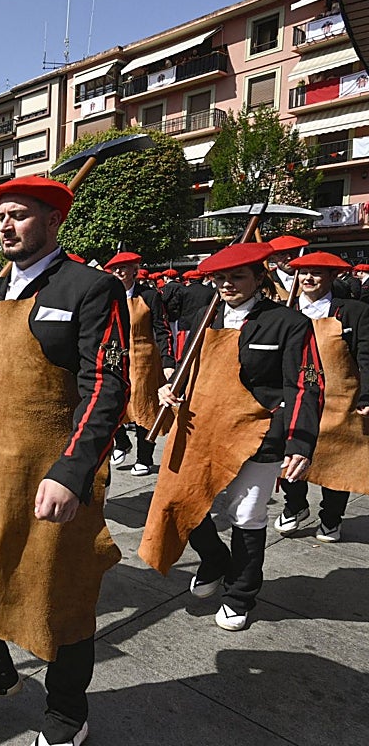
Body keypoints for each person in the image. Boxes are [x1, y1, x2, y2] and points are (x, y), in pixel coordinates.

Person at [0, 175, 127, 746]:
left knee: (60, 597)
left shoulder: (91, 287)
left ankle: (66, 711)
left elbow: (106, 385)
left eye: (20, 215)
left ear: (54, 221)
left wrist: (73, 471)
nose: (6, 227)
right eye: (0, 218)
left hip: (52, 470)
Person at [140, 242, 323, 632]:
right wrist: (169, 386)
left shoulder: (288, 323)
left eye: (237, 276)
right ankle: (215, 559)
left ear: (259, 278)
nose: (226, 284)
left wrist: (299, 442)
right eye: (219, 277)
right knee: (179, 501)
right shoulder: (204, 315)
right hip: (200, 429)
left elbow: (305, 384)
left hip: (258, 434)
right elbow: (188, 368)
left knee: (246, 514)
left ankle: (240, 593)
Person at [274, 252, 369, 542]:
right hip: (294, 394)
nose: (308, 279)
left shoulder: (354, 311)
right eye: (303, 273)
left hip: (340, 397)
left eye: (316, 273)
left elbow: (366, 356)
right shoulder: (284, 311)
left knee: (337, 459)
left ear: (331, 277)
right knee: (287, 452)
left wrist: (367, 395)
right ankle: (295, 506)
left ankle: (331, 518)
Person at [104, 252, 175, 477]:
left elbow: (162, 330)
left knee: (144, 408)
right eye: (115, 269)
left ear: (135, 270)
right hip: (115, 358)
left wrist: (168, 361)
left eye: (124, 268)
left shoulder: (149, 295)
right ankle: (122, 441)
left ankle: (144, 457)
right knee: (110, 402)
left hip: (144, 361)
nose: (119, 272)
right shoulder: (106, 296)